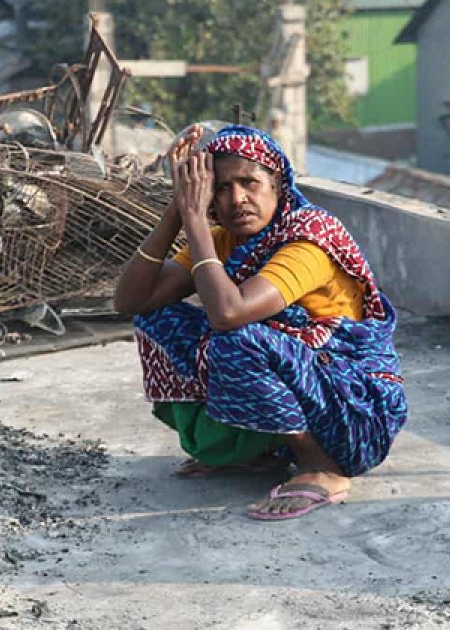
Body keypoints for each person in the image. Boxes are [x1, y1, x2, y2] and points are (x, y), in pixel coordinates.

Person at [114, 124, 407, 520]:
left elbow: (228, 313)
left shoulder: (309, 239)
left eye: (249, 183)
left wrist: (196, 226)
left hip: (353, 415)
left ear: (278, 186)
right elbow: (132, 300)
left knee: (238, 338)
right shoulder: (224, 239)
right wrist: (177, 211)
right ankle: (257, 448)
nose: (237, 199)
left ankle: (321, 466)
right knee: (160, 320)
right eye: (220, 187)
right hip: (310, 393)